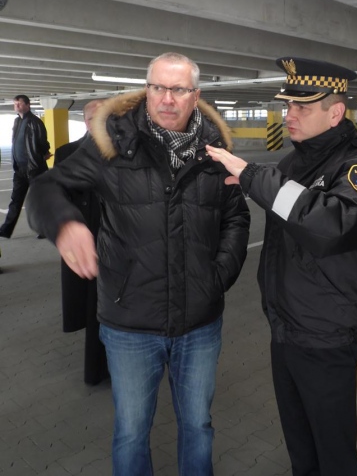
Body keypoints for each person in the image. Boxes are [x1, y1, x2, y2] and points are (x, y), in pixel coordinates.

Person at [27, 52, 250, 476]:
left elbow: (236, 217)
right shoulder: (112, 142)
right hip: (129, 322)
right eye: (158, 87)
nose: (167, 99)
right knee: (131, 432)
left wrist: (218, 276)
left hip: (199, 321)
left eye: (178, 89)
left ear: (195, 95)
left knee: (198, 427)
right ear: (147, 90)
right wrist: (64, 223)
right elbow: (45, 188)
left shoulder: (215, 151)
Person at [206, 57, 357, 476]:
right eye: (287, 105)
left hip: (332, 338)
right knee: (302, 447)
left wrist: (255, 177)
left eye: (302, 107)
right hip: (286, 331)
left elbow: (330, 225)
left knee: (339, 454)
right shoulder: (292, 165)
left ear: (335, 112)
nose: (289, 114)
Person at [54, 99, 109, 386]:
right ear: (86, 122)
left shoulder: (125, 151)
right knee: (93, 307)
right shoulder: (67, 153)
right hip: (87, 240)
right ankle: (96, 370)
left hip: (120, 240)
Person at [0, 94, 51, 239]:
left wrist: (43, 154)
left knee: (39, 200)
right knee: (15, 200)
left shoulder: (35, 122)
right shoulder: (17, 121)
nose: (16, 106)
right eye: (15, 103)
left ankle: (44, 229)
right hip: (19, 169)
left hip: (34, 168)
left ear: (28, 105)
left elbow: (43, 142)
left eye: (20, 103)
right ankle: (5, 230)